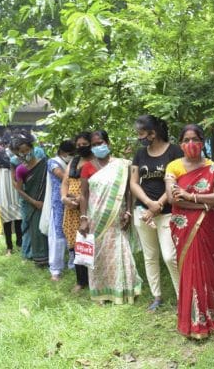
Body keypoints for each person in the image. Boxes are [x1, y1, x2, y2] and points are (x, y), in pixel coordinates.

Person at [164, 124, 214, 339]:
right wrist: (204, 205)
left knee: (206, 270)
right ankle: (192, 322)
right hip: (184, 225)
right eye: (186, 140)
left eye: (195, 139)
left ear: (202, 142)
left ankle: (208, 319)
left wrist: (191, 197)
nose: (191, 144)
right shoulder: (174, 167)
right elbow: (172, 198)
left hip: (208, 227)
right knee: (190, 269)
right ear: (180, 144)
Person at [78, 130, 142, 304]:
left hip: (117, 216)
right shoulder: (87, 167)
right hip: (95, 218)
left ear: (108, 143)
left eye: (100, 143)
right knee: (99, 255)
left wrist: (128, 211)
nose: (98, 147)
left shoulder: (122, 165)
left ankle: (123, 290)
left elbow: (128, 191)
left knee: (119, 251)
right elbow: (83, 194)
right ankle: (101, 292)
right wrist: (83, 218)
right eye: (94, 145)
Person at [130, 115, 182, 311]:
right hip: (143, 211)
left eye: (142, 133)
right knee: (150, 256)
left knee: (170, 256)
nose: (139, 137)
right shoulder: (139, 154)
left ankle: (181, 296)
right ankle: (157, 296)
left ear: (153, 133)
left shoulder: (175, 151)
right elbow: (134, 183)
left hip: (168, 211)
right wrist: (148, 203)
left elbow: (177, 180)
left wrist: (158, 205)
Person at [61, 132, 94, 293]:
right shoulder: (74, 161)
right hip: (71, 209)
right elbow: (65, 183)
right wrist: (64, 198)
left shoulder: (97, 162)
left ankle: (95, 278)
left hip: (89, 206)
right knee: (76, 243)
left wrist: (81, 200)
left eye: (84, 144)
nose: (81, 147)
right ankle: (81, 281)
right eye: (78, 145)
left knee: (89, 241)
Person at [12, 134, 48, 266]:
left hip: (47, 202)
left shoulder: (45, 164)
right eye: (21, 152)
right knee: (36, 230)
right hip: (33, 204)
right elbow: (19, 189)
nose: (25, 153)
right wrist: (34, 202)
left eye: (27, 150)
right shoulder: (20, 169)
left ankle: (53, 257)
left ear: (32, 149)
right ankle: (40, 258)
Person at [43, 140, 75, 281]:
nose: (72, 156)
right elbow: (63, 177)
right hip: (58, 204)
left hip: (73, 202)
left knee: (73, 233)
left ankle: (73, 265)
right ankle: (55, 270)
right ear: (62, 152)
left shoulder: (72, 162)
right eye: (70, 153)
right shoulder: (53, 162)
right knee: (58, 236)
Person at [0, 135, 23, 255]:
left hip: (17, 188)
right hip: (3, 189)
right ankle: (9, 247)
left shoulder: (22, 154)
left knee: (19, 218)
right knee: (6, 219)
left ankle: (20, 244)